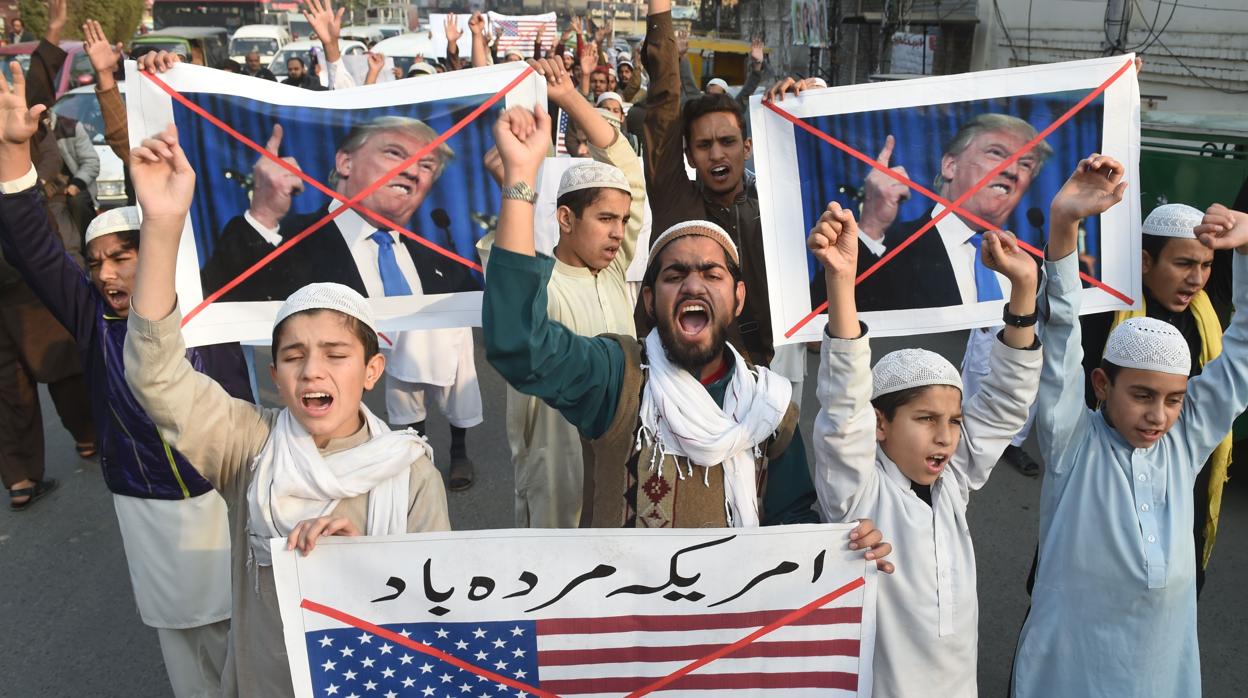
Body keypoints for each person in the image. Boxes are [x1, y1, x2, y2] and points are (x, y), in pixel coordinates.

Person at [123, 124, 450, 698]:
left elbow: (438, 606)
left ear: (371, 371)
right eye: (294, 356)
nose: (313, 371)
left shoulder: (410, 471)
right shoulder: (250, 445)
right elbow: (156, 375)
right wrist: (162, 223)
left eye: (336, 354)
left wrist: (367, 563)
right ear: (275, 376)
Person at [0, 63, 244, 695]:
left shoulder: (205, 299)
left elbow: (177, 193)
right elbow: (31, 245)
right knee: (182, 641)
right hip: (147, 501)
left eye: (123, 257)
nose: (107, 274)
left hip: (224, 491)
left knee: (242, 637)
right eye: (95, 262)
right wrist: (12, 154)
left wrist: (135, 97)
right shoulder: (89, 316)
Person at [485, 103, 820, 529]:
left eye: (711, 274)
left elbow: (796, 524)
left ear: (738, 298)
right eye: (675, 274)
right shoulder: (617, 380)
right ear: (647, 301)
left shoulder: (771, 407)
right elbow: (517, 342)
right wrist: (518, 180)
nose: (693, 286)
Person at [1011, 154, 1248, 697]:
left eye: (1173, 399)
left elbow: (1240, 356)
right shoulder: (1073, 442)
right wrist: (1065, 223)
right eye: (1142, 395)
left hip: (1160, 670)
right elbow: (1064, 329)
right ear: (1101, 386)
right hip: (1066, 670)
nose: (1158, 416)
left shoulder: (1184, 442)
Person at [808, 196, 1041, 696]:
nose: (946, 436)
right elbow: (844, 401)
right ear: (880, 424)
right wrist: (841, 285)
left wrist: (1023, 291)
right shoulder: (856, 494)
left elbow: (1003, 401)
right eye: (926, 419)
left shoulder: (953, 483)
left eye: (955, 421)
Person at [479, 57, 647, 528]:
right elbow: (510, 299)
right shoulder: (536, 279)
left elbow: (629, 171)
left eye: (622, 221)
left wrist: (570, 97)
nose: (618, 233)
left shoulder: (613, 271)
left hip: (620, 453)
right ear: (567, 219)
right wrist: (518, 178)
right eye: (604, 219)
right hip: (556, 458)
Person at [1079, 203, 1234, 597]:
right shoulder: (1102, 314)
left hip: (1182, 488)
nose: (1197, 279)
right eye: (1184, 263)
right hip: (1104, 483)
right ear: (1145, 261)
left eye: (1206, 265)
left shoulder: (1208, 314)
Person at [641, 0, 776, 369]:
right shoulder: (677, 204)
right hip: (674, 381)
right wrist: (660, 12)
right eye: (704, 145)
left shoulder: (775, 205)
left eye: (727, 142)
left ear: (746, 147)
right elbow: (665, 101)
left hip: (758, 382)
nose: (717, 154)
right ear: (688, 155)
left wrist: (806, 105)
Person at [854, 113, 1054, 312]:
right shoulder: (888, 246)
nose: (1012, 170)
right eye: (996, 153)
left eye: (1025, 164)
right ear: (950, 166)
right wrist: (872, 224)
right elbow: (830, 324)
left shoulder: (1031, 268)